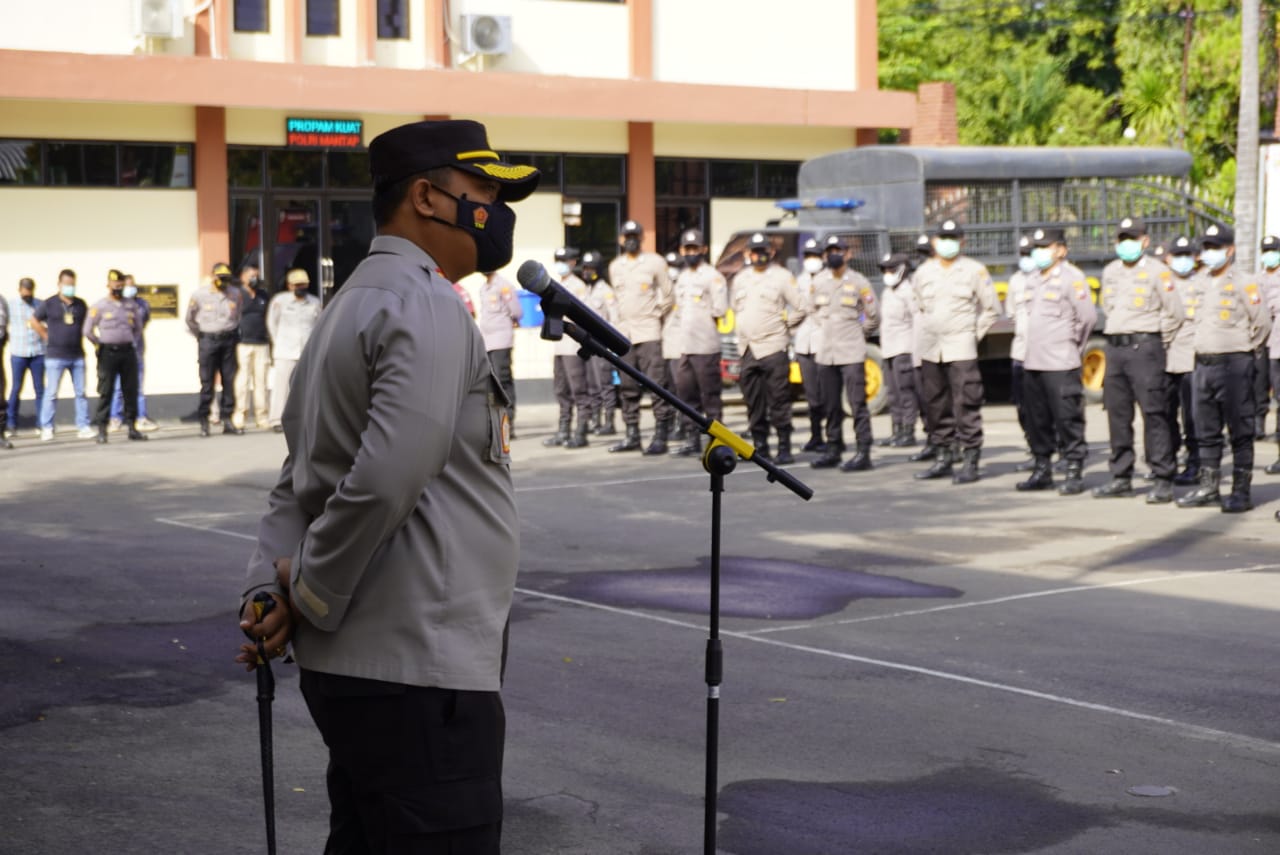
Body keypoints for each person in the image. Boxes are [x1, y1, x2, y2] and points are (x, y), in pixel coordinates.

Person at [238, 119, 538, 854]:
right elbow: (385, 477)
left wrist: (266, 590)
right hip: (421, 671)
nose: (498, 214)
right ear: (430, 198)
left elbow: (297, 476)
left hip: (358, 671)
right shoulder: (426, 302)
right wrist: (305, 589)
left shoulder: (348, 306)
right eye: (484, 193)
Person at [1177, 225, 1271, 512]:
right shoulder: (1199, 282)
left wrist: (1244, 349)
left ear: (1229, 250)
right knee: (1206, 429)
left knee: (1240, 430)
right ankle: (1209, 487)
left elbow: (1263, 323)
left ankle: (1241, 492)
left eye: (1215, 247)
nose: (1209, 253)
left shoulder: (1245, 282)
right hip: (1202, 363)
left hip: (1234, 364)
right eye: (1206, 247)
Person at [1092, 217, 1185, 502]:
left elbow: (1175, 313)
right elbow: (1108, 306)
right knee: (1118, 413)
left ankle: (1162, 476)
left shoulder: (1159, 272)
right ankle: (1121, 475)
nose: (1126, 244)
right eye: (1122, 238)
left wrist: (1156, 341)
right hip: (1115, 348)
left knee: (1154, 413)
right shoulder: (1110, 271)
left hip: (1145, 348)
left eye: (1132, 238)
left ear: (1145, 241)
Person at [912, 220, 1000, 484]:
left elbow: (991, 309)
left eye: (953, 237)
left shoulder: (975, 270)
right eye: (943, 237)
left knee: (966, 403)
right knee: (935, 404)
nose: (947, 242)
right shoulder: (923, 272)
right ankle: (943, 456)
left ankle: (971, 458)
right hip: (931, 348)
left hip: (960, 348)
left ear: (962, 241)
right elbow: (919, 306)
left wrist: (971, 335)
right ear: (934, 242)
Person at [1013, 229, 1097, 495]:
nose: (1039, 251)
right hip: (1033, 361)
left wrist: (1071, 346)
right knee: (1037, 420)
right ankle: (1042, 469)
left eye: (1045, 246)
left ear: (1061, 249)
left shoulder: (1073, 278)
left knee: (1067, 418)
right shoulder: (1032, 279)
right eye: (1036, 246)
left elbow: (1087, 319)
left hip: (1061, 361)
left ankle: (1073, 470)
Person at [730, 232, 806, 463]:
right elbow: (736, 308)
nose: (759, 256)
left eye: (763, 251)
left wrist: (785, 326)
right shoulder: (740, 279)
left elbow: (801, 307)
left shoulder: (782, 277)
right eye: (755, 251)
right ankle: (760, 447)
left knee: (779, 399)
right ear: (747, 254)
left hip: (773, 347)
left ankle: (784, 447)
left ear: (771, 252)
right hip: (748, 349)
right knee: (753, 401)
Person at [810, 236, 879, 471]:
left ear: (847, 254)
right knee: (829, 404)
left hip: (851, 351)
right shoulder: (818, 282)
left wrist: (860, 333)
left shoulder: (859, 281)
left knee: (857, 403)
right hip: (826, 353)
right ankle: (834, 448)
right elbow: (811, 310)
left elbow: (873, 315)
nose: (833, 255)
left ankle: (863, 450)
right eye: (829, 251)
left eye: (838, 250)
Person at [608, 220, 674, 454]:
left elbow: (668, 296)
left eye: (635, 234)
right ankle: (632, 434)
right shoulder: (616, 266)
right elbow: (616, 299)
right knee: (627, 386)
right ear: (621, 238)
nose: (631, 239)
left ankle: (661, 435)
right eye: (627, 235)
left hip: (648, 332)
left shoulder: (655, 262)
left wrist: (654, 315)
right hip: (624, 335)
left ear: (642, 237)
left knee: (657, 384)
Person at [671, 228, 728, 458]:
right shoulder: (682, 277)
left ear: (703, 249)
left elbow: (720, 309)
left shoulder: (713, 277)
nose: (691, 252)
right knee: (687, 396)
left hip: (705, 347)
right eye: (687, 248)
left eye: (695, 248)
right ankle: (691, 439)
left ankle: (717, 442)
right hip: (685, 347)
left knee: (710, 397)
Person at [83, 269, 148, 443]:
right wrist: (99, 343)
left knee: (130, 390)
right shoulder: (100, 306)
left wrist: (130, 341)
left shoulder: (131, 305)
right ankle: (103, 430)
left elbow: (138, 328)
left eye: (120, 285)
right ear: (108, 285)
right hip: (108, 353)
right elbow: (87, 330)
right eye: (115, 285)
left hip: (127, 352)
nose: (118, 288)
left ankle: (132, 428)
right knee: (106, 391)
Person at [31, 269, 93, 441]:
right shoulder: (49, 303)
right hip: (55, 356)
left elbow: (87, 324)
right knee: (51, 393)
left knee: (81, 393)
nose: (70, 288)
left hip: (77, 355)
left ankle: (83, 426)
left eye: (72, 285)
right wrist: (45, 335)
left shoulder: (81, 304)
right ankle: (47, 427)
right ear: (59, 284)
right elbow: (34, 320)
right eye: (67, 284)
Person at [545, 247, 597, 449]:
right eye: (558, 259)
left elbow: (584, 315)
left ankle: (581, 432)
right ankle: (563, 430)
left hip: (572, 344)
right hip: (558, 345)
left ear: (573, 262)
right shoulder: (555, 284)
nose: (560, 263)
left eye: (564, 260)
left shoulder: (578, 286)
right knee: (561, 390)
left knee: (579, 390)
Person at [186, 262, 245, 437]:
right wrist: (202, 335)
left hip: (228, 341)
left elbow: (238, 315)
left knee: (229, 381)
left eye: (226, 278)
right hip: (208, 341)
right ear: (213, 277)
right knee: (207, 383)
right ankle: (205, 421)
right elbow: (190, 319)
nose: (224, 281)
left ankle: (228, 420)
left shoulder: (235, 294)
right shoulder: (200, 295)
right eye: (220, 278)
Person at [1165, 237, 1202, 486]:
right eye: (1177, 255)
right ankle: (1167, 461)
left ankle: (1195, 463)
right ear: (1168, 258)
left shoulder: (1200, 285)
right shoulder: (1161, 284)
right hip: (1164, 358)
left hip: (1191, 359)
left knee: (1193, 417)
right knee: (1164, 415)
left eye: (1187, 254)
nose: (1182, 260)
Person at [266, 268, 322, 432]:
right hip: (285, 350)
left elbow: (319, 324)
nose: (301, 287)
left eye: (303, 284)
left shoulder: (314, 302)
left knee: (308, 386)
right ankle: (276, 419)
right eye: (297, 284)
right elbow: (272, 323)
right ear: (290, 285)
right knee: (281, 387)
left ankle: (306, 419)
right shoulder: (280, 301)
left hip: (306, 351)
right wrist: (278, 342)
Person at [877, 251, 921, 449]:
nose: (887, 272)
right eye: (885, 269)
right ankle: (896, 429)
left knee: (906, 392)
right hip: (888, 349)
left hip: (904, 348)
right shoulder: (888, 291)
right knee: (892, 392)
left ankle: (908, 431)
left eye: (891, 269)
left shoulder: (908, 291)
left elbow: (917, 320)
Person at [108, 274, 157, 433]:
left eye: (132, 285)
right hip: (119, 352)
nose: (130, 289)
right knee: (117, 388)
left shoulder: (142, 304)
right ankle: (115, 418)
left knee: (138, 388)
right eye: (127, 285)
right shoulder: (117, 304)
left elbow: (144, 321)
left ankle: (141, 418)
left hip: (136, 351)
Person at [792, 238, 827, 452]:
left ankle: (832, 436)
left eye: (815, 255)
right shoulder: (799, 280)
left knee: (827, 394)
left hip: (824, 343)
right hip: (804, 343)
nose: (811, 260)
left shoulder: (830, 278)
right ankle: (816, 435)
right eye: (808, 256)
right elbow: (794, 310)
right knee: (811, 394)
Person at [478, 267, 522, 435]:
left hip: (501, 340)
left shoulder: (504, 286)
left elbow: (517, 311)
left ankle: (508, 422)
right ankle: (495, 422)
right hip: (487, 341)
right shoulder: (484, 288)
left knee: (503, 380)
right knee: (491, 383)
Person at [580, 251, 619, 436]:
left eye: (591, 269)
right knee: (592, 384)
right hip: (588, 344)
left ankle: (609, 422)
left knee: (605, 384)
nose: (587, 272)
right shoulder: (586, 290)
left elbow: (614, 320)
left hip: (602, 345)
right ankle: (595, 421)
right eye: (585, 268)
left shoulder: (606, 291)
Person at [1007, 235, 1036, 469]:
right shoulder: (1015, 280)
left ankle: (1052, 448)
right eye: (1023, 254)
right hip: (1020, 352)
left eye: (1030, 253)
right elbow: (1012, 314)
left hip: (1043, 355)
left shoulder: (1046, 279)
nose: (1026, 258)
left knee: (1045, 405)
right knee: (1023, 405)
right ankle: (1033, 446)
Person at [233, 261, 271, 431]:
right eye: (251, 276)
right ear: (243, 277)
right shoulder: (237, 295)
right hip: (243, 344)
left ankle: (261, 416)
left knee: (261, 381)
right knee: (242, 381)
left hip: (261, 343)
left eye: (256, 275)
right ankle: (240, 414)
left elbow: (269, 317)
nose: (254, 279)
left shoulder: (263, 295)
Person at [6, 278, 45, 443]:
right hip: (19, 353)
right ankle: (11, 424)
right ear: (20, 289)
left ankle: (42, 424)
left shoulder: (40, 304)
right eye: (25, 290)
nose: (27, 293)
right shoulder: (11, 305)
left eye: (30, 291)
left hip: (37, 352)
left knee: (40, 390)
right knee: (16, 389)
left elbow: (49, 323)